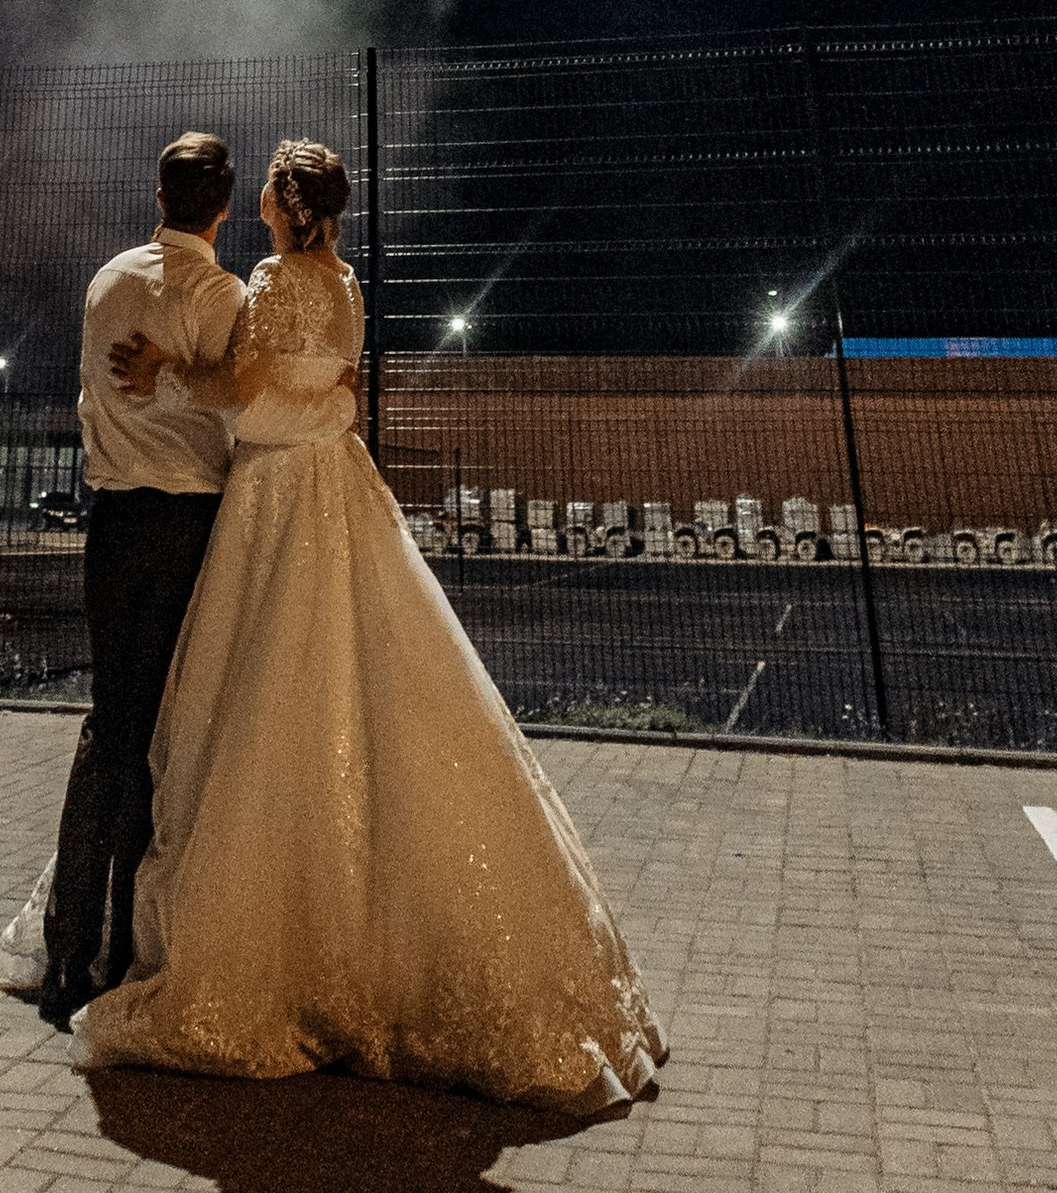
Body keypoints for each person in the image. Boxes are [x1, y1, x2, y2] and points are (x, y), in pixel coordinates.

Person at [67, 137, 664, 1116]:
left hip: (271, 498)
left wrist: (163, 371)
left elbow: (238, 386)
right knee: (376, 680)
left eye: (270, 182)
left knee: (263, 694)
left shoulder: (269, 274)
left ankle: (236, 928)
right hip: (342, 490)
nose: (256, 191)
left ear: (283, 202)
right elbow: (321, 383)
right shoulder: (343, 282)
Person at [0, 129, 248, 1030]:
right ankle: (128, 952)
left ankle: (69, 948)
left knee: (110, 721)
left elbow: (89, 391)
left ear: (158, 194)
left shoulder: (106, 279)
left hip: (112, 521)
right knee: (161, 729)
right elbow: (240, 404)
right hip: (187, 521)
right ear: (221, 204)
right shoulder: (221, 295)